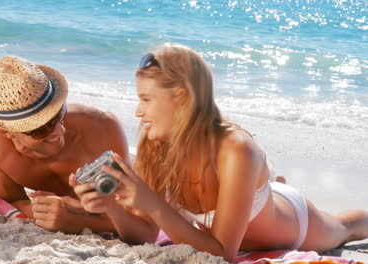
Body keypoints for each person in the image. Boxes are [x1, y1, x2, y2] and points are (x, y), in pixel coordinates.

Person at [72, 43, 368, 262]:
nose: (138, 111)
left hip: (294, 223)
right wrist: (112, 207)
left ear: (181, 97)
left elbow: (222, 254)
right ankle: (270, 185)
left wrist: (152, 204)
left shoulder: (236, 148)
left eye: (147, 99)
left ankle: (274, 188)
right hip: (247, 196)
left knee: (346, 226)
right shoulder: (155, 145)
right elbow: (145, 236)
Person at [0, 56, 130, 234]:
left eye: (58, 114)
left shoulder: (101, 127)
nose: (60, 131)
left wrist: (73, 221)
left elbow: (135, 218)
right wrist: (43, 210)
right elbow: (10, 204)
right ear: (5, 131)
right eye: (42, 127)